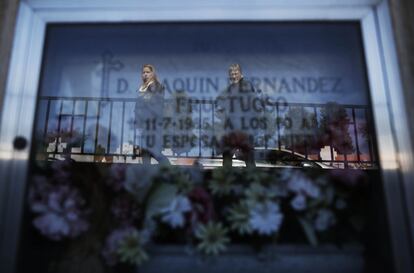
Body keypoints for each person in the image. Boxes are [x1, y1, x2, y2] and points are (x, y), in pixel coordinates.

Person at [216, 64, 259, 167]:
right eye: (231, 74)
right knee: (228, 154)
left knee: (247, 157)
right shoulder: (231, 88)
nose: (233, 76)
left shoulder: (246, 85)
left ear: (241, 74)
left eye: (235, 73)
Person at [134, 64, 169, 164]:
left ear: (153, 74)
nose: (145, 74)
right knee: (146, 153)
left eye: (148, 72)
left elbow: (154, 102)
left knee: (155, 152)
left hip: (153, 124)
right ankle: (146, 174)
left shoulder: (157, 86)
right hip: (146, 123)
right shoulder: (143, 87)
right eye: (143, 72)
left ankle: (170, 169)